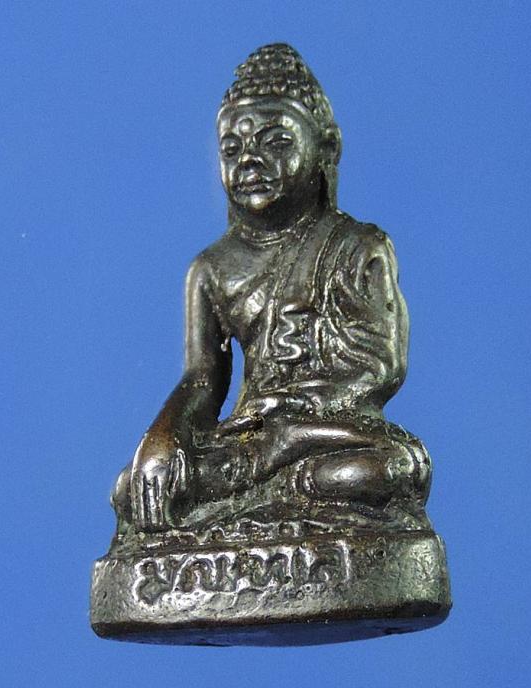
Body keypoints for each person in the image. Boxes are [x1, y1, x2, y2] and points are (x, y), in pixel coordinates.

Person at [112, 44, 432, 533]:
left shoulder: (357, 247)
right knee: (133, 489)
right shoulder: (212, 269)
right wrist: (160, 438)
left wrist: (301, 412)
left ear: (327, 148)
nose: (250, 161)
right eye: (232, 149)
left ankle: (263, 504)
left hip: (323, 430)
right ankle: (274, 500)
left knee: (388, 468)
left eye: (276, 142)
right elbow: (203, 378)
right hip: (256, 437)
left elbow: (381, 365)